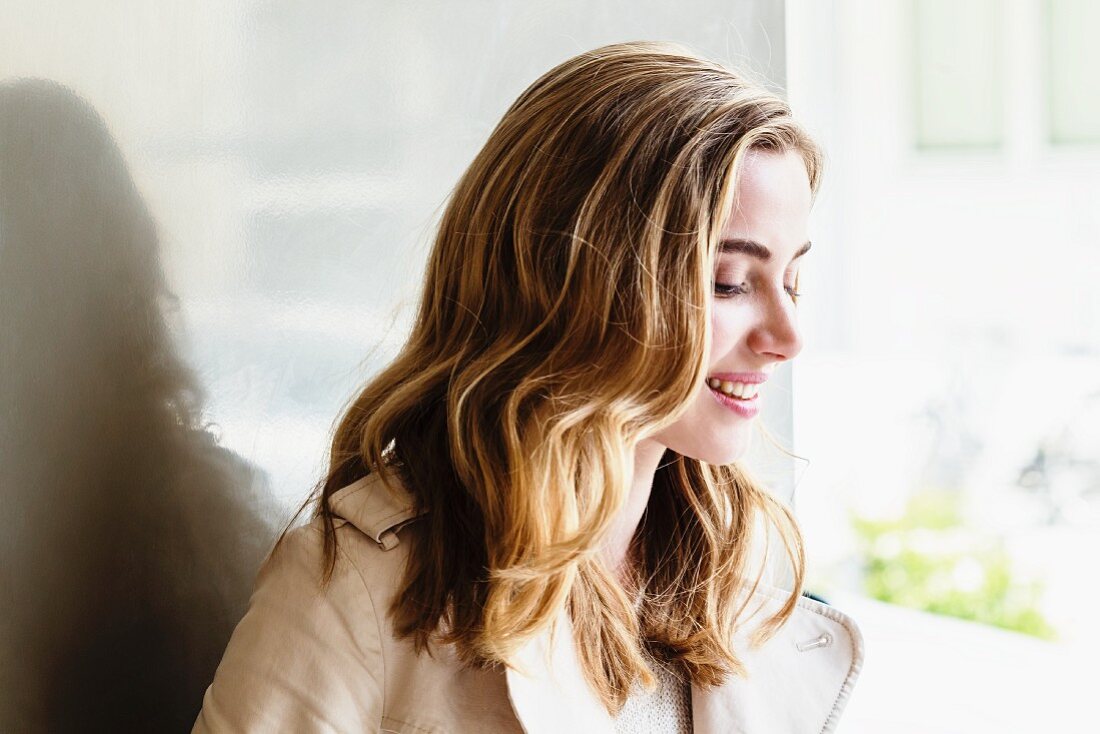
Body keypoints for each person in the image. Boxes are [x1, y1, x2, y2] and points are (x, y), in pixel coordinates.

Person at [192, 40, 864, 733]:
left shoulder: (730, 581)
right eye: (728, 283)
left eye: (793, 282)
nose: (787, 337)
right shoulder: (357, 589)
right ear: (573, 280)